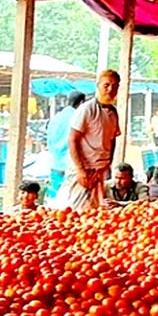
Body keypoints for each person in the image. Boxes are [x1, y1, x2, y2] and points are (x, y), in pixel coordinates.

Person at [58, 69, 121, 211]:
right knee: (73, 212)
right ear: (98, 86)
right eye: (106, 85)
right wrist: (81, 170)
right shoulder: (86, 109)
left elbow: (112, 139)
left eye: (115, 86)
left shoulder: (113, 113)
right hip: (83, 171)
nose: (110, 89)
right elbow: (72, 140)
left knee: (93, 212)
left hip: (99, 171)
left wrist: (108, 163)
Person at [46, 91, 86, 198]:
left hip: (55, 164)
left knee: (54, 202)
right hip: (71, 166)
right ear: (81, 103)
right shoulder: (78, 117)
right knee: (70, 203)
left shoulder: (56, 118)